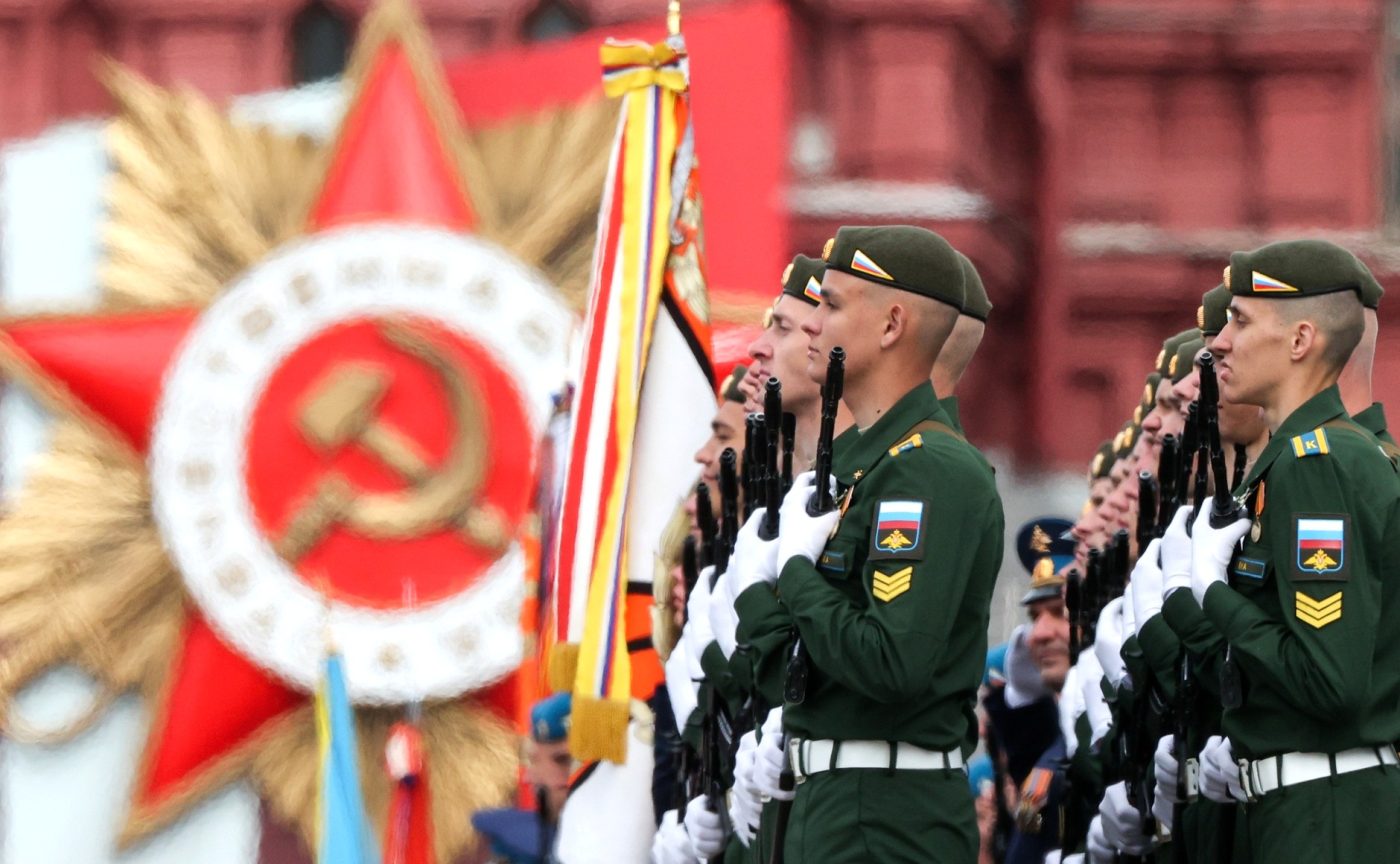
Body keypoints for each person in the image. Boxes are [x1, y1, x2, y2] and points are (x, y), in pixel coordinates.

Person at [735, 225, 1004, 862]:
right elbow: (795, 671)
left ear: (890, 326)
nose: (811, 326)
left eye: (829, 306)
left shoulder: (929, 468)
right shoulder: (864, 468)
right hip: (834, 802)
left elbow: (890, 662)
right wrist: (755, 599)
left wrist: (794, 572)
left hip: (887, 817)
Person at [1173, 239, 1400, 862]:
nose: (1218, 342)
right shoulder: (1294, 461)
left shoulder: (1318, 463)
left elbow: (1326, 680)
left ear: (1300, 341)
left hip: (1325, 814)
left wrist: (1213, 593)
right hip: (1302, 805)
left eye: (1240, 321)